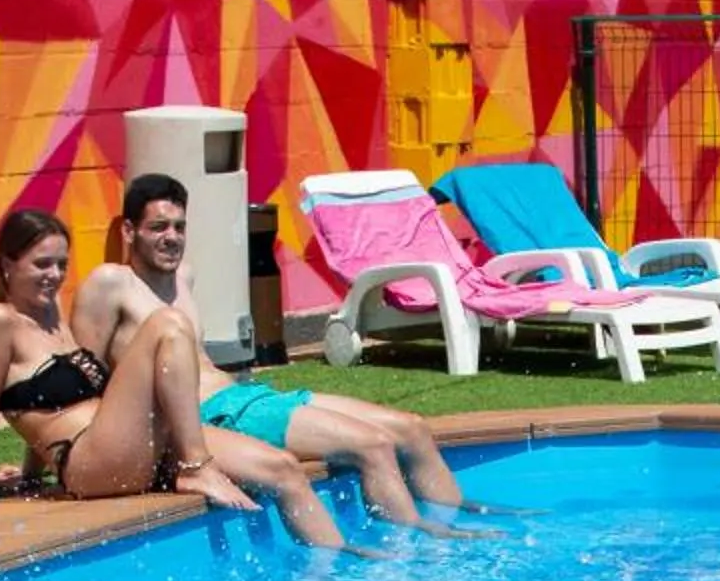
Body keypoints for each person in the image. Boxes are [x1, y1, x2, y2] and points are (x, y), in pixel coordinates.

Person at [0, 208, 348, 548]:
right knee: (167, 325)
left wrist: (29, 473)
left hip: (135, 447)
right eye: (41, 264)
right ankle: (196, 467)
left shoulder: (52, 318)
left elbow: (40, 404)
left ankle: (339, 580)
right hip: (92, 463)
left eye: (61, 264)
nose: (55, 276)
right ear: (7, 265)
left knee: (284, 469)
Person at [73, 174, 483, 535]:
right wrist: (57, 457)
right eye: (157, 227)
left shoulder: (183, 275)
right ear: (129, 232)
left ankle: (458, 520)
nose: (172, 237)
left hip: (248, 396)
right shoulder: (110, 284)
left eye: (179, 226)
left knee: (412, 428)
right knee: (373, 446)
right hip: (215, 415)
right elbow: (76, 381)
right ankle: (418, 551)